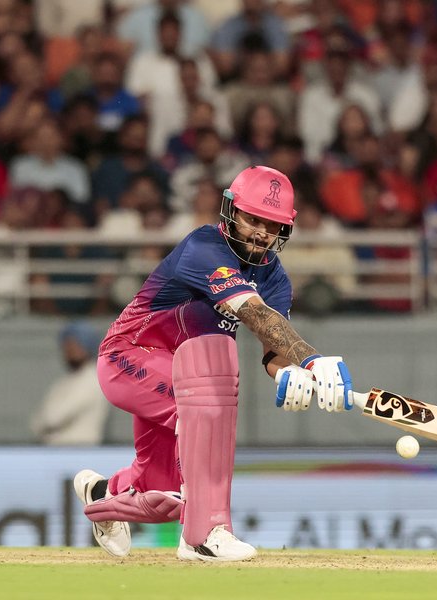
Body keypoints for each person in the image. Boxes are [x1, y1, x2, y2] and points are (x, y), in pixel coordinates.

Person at [73, 165, 353, 562]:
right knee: (212, 399)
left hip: (186, 374)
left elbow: (273, 350)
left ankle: (101, 496)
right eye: (253, 219)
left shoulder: (275, 278)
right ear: (231, 212)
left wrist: (291, 372)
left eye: (271, 225)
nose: (260, 232)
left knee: (163, 495)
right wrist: (312, 359)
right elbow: (255, 314)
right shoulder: (204, 247)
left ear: (283, 231)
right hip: (128, 358)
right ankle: (204, 533)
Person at [30, 321, 109, 445]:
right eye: (66, 346)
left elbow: (53, 418)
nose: (69, 350)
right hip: (57, 453)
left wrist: (44, 423)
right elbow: (35, 424)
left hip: (81, 452)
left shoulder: (93, 379)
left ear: (87, 346)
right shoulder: (65, 381)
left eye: (74, 345)